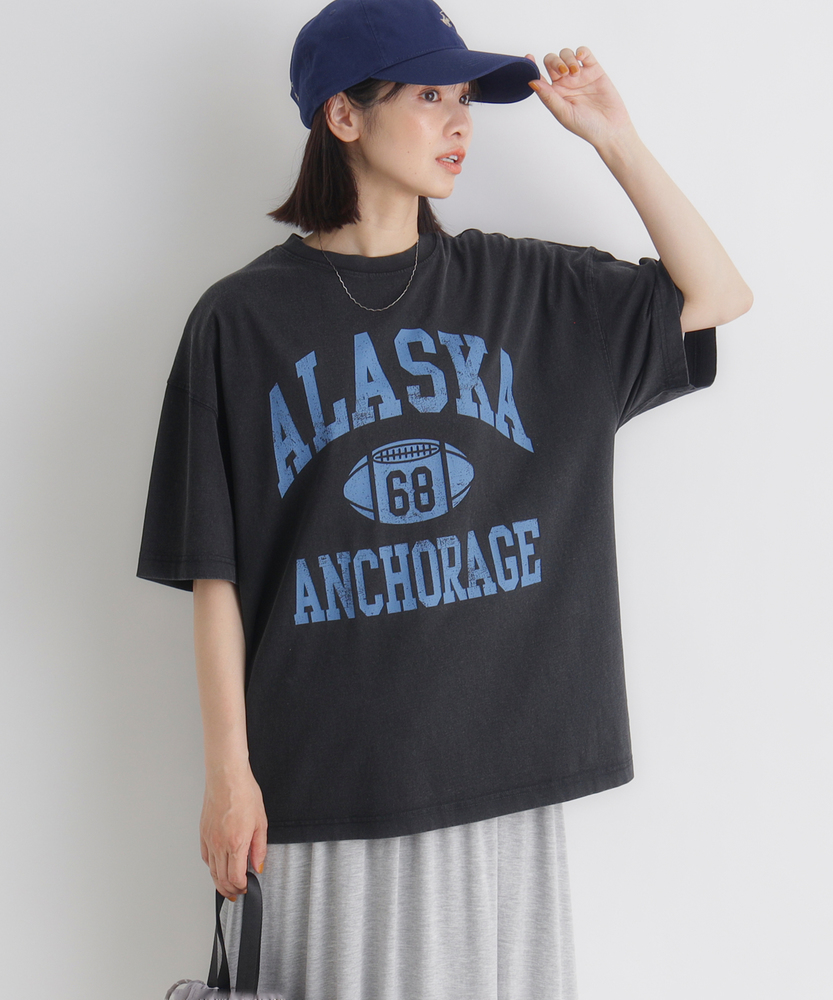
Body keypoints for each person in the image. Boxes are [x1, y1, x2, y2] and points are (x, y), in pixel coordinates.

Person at [138, 0, 752, 997]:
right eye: (429, 96)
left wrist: (614, 139)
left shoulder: (525, 292)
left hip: (498, 788)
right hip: (324, 789)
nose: (460, 121)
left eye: (464, 98)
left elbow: (716, 295)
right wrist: (227, 776)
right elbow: (217, 572)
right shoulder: (238, 322)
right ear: (343, 115)